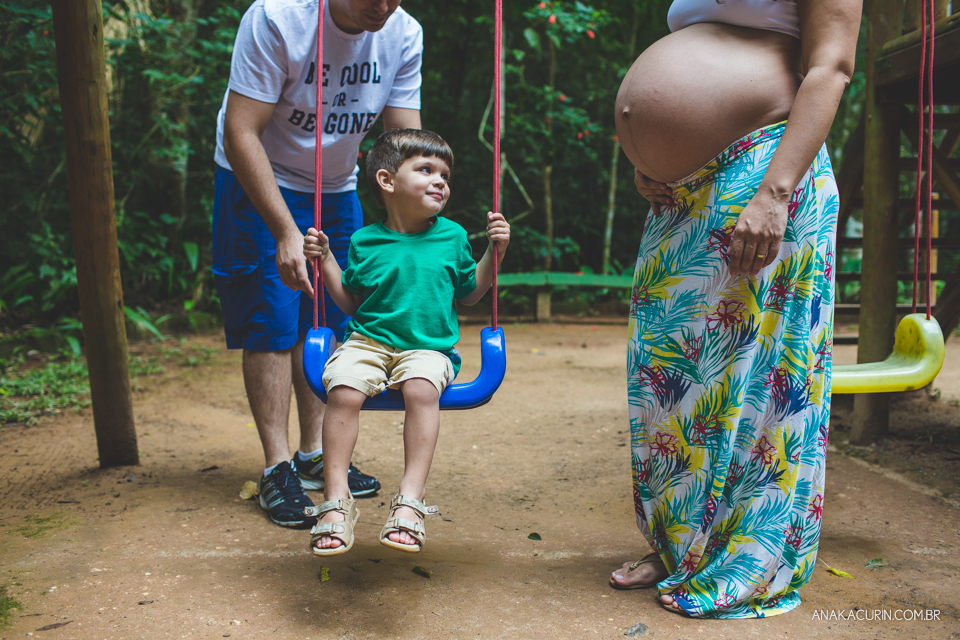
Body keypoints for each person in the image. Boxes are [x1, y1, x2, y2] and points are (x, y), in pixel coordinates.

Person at [608, 0, 862, 618]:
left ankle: (743, 558)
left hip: (764, 173)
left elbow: (830, 66)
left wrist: (776, 192)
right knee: (670, 375)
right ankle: (681, 546)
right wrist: (650, 158)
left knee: (751, 378)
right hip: (685, 192)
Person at [212, 0, 424, 528]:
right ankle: (276, 465)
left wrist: (418, 228)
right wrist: (285, 229)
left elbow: (402, 143)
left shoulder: (403, 32)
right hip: (261, 176)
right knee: (272, 318)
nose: (382, 7)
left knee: (331, 314)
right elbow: (240, 131)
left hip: (337, 185)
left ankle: (314, 454)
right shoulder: (278, 18)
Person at [301, 129, 510, 556]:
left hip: (428, 347)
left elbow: (471, 293)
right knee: (341, 390)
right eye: (426, 170)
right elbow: (351, 301)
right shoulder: (364, 241)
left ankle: (411, 500)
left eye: (445, 175)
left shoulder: (452, 237)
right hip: (368, 342)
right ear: (387, 180)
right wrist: (326, 261)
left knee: (420, 387)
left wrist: (495, 253)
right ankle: (336, 500)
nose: (440, 181)